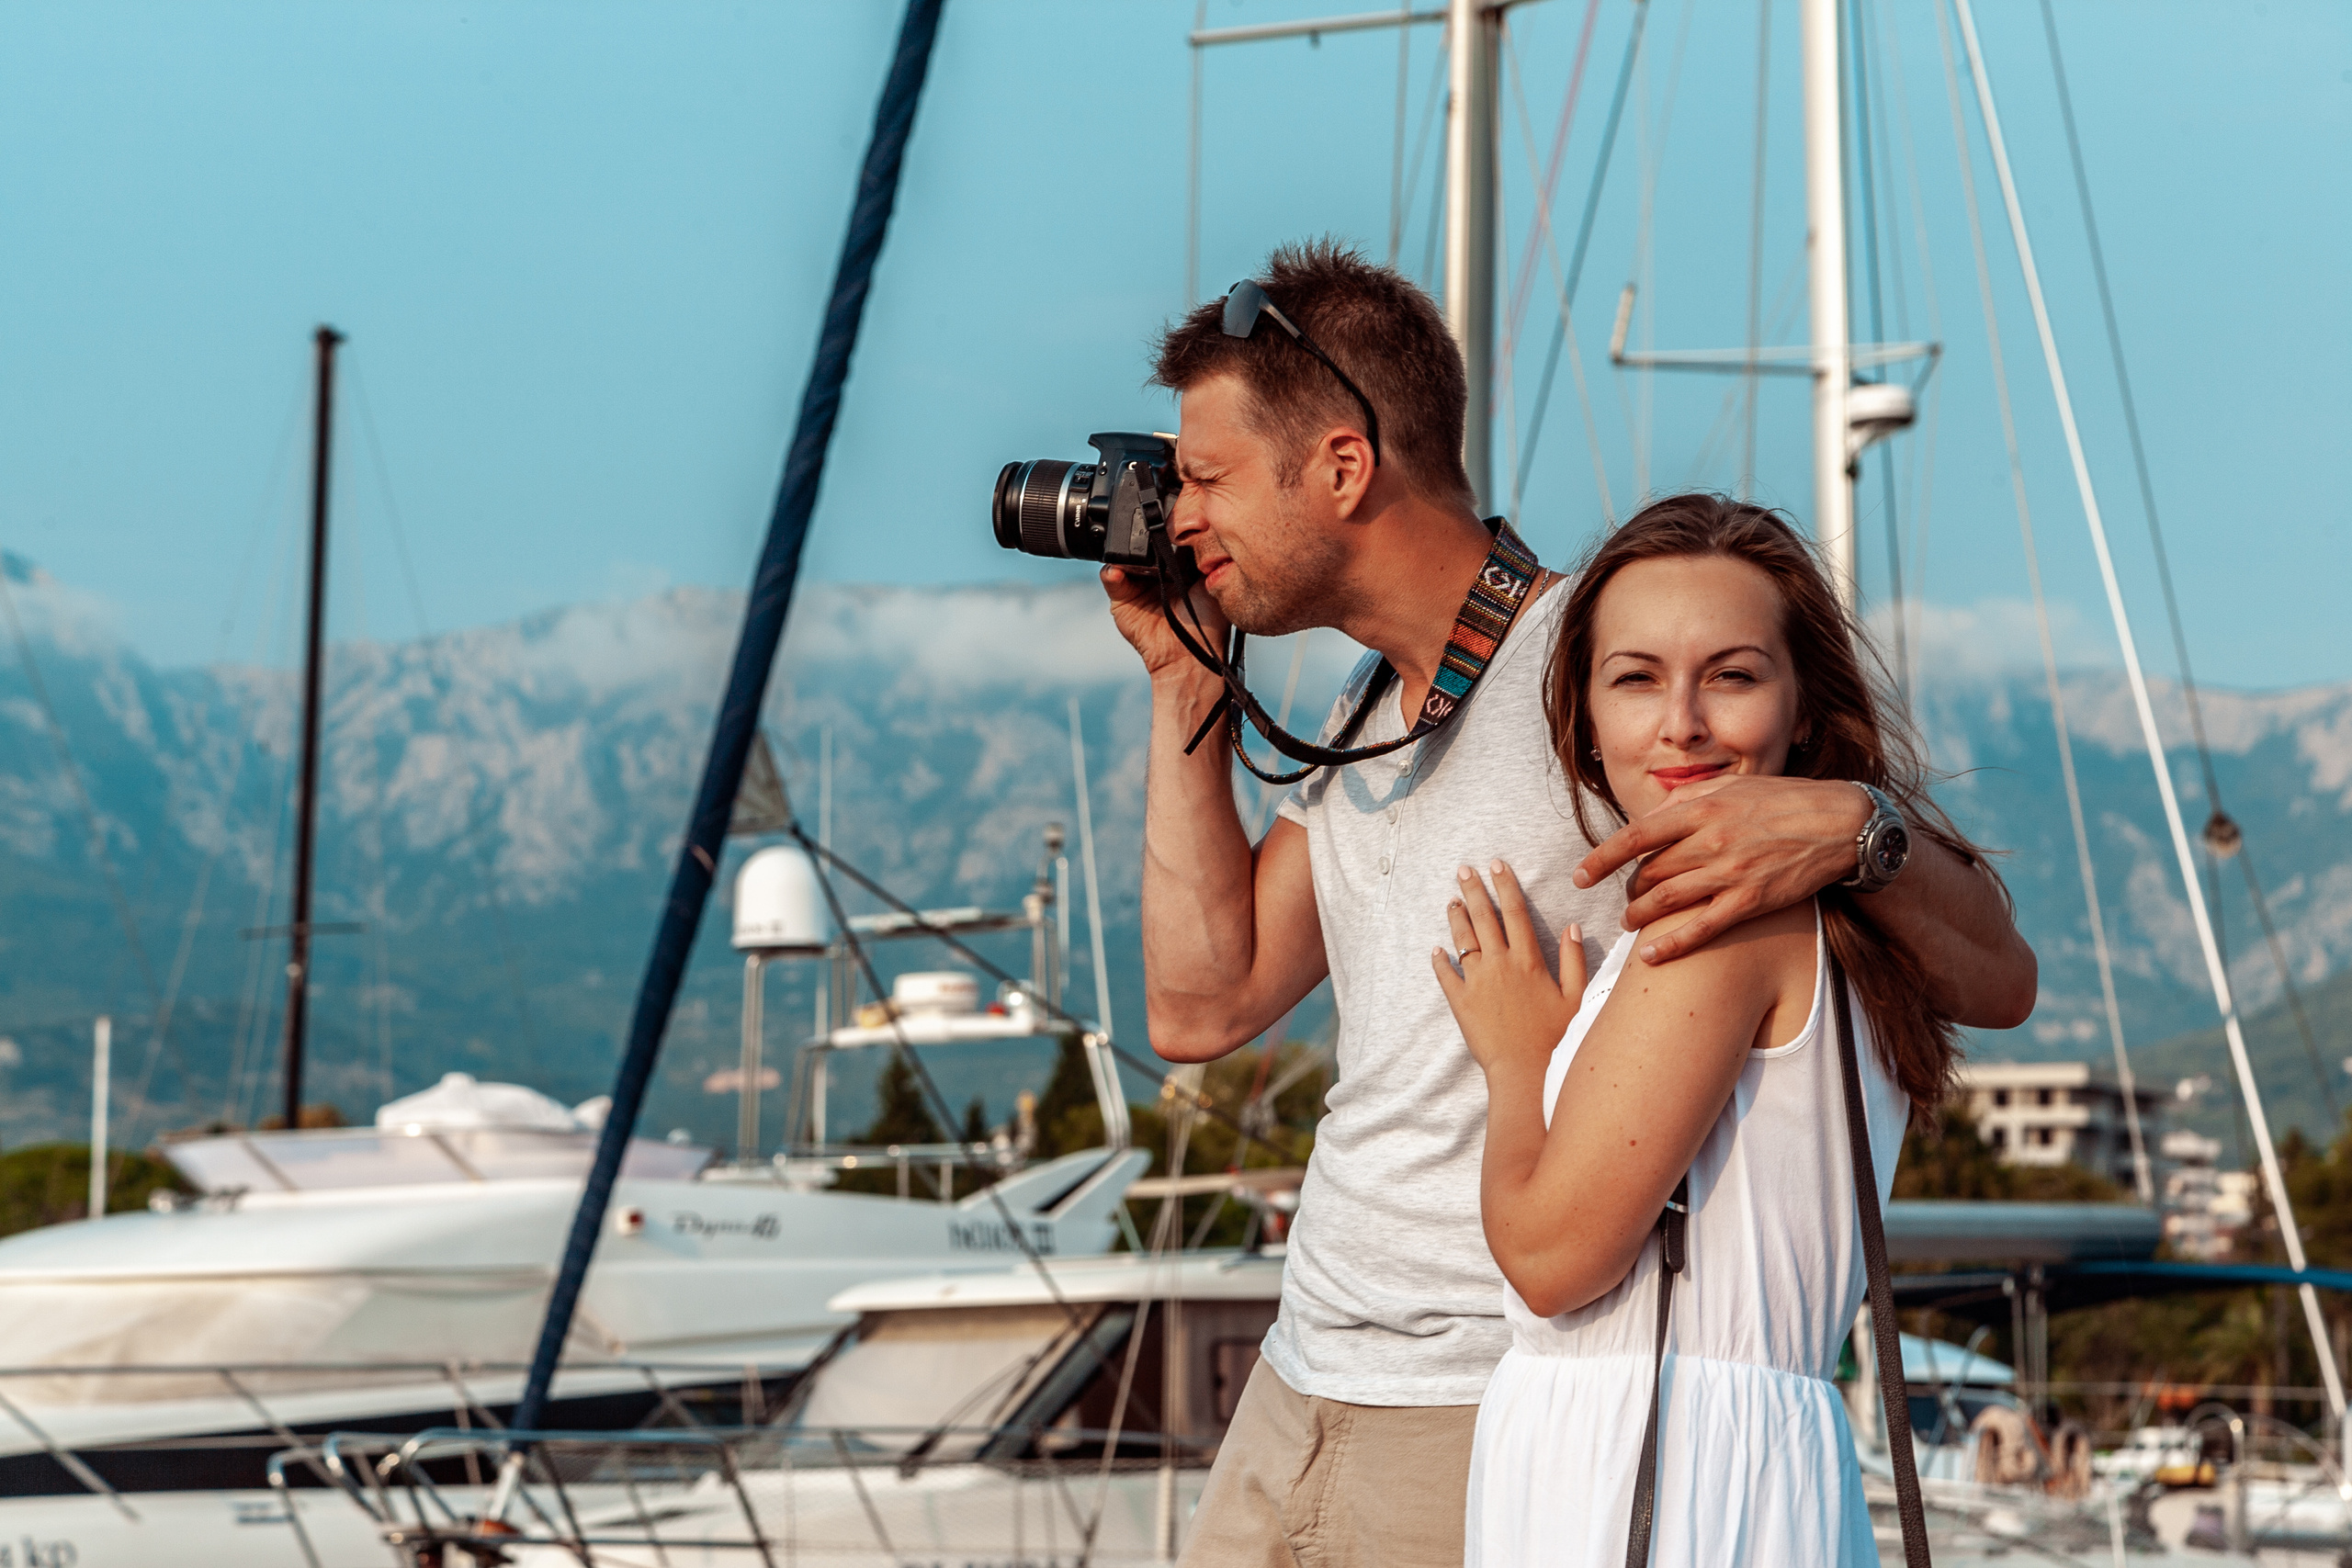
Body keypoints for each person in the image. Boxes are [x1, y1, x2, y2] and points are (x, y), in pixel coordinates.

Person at [1102, 239, 2033, 1568]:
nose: (1178, 518)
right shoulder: (1369, 715)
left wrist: (1859, 821)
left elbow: (1993, 975)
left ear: (1344, 467)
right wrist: (1185, 690)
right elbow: (1204, 999)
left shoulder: (1604, 686)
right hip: (1299, 1375)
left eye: (1204, 477)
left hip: (1502, 1406)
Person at [1433, 493, 1990, 1565]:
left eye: (1730, 676)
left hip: (1650, 1465)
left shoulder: (1724, 924)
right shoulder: (1851, 912)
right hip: (1741, 1455)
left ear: (1800, 709)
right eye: (1634, 678)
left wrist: (1517, 1062)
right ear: (1587, 721)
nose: (1680, 722)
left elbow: (1551, 1261)